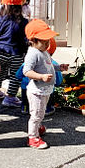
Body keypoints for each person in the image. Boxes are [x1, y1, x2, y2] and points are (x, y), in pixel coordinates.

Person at [23, 20, 68, 149]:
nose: (48, 44)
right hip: (37, 90)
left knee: (40, 112)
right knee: (36, 114)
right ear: (33, 40)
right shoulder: (33, 53)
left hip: (44, 89)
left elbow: (49, 65)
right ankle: (32, 137)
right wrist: (41, 76)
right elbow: (27, 71)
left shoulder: (43, 51)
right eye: (44, 41)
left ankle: (38, 127)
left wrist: (59, 67)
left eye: (48, 40)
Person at [0, 0, 29, 107]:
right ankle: (10, 97)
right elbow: (25, 38)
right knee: (15, 76)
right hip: (16, 52)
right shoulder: (24, 22)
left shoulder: (0, 19)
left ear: (5, 5)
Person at [18, 37, 65, 116]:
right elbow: (58, 81)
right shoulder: (53, 63)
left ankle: (25, 108)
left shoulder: (28, 61)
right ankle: (47, 109)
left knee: (26, 100)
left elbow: (18, 75)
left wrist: (22, 80)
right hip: (45, 88)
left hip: (26, 87)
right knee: (45, 101)